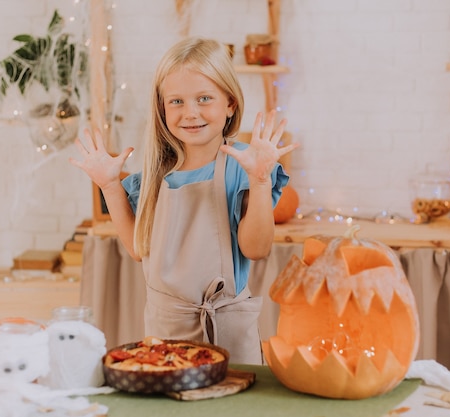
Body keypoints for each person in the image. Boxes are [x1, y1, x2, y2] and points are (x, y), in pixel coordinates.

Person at [70, 36, 298, 364]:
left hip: (228, 339)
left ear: (230, 103)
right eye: (176, 101)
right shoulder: (155, 173)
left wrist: (260, 183)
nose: (190, 113)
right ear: (162, 108)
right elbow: (138, 248)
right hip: (166, 337)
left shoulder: (244, 165)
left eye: (204, 98)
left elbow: (256, 248)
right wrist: (109, 186)